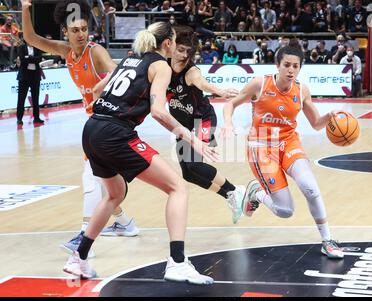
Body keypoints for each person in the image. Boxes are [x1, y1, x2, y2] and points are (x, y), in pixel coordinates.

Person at [64, 22, 216, 284]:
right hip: (116, 133)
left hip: (92, 129)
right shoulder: (161, 66)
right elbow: (158, 111)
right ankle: (178, 262)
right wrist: (192, 138)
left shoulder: (130, 59)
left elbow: (99, 90)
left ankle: (79, 258)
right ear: (167, 43)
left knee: (115, 194)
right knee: (178, 187)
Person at [21, 0, 139, 257]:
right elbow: (30, 37)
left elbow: (118, 73)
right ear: (65, 31)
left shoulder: (95, 52)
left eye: (84, 29)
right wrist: (26, 8)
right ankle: (124, 222)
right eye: (75, 30)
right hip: (96, 122)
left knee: (90, 176)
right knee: (103, 180)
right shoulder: (65, 51)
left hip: (110, 121)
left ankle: (85, 235)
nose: (81, 34)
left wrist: (102, 87)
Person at [221, 42, 344, 259]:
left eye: (295, 66)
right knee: (285, 211)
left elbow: (316, 123)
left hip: (289, 143)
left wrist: (330, 116)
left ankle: (327, 240)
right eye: (286, 65)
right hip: (261, 148)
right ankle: (256, 192)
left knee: (311, 189)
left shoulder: (302, 90)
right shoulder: (259, 84)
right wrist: (228, 124)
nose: (291, 70)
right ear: (277, 65)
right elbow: (230, 104)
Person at [168, 26, 250, 224]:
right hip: (182, 124)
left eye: (188, 51)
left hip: (201, 119)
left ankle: (234, 189)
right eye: (180, 49)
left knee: (195, 163)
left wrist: (219, 91)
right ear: (171, 46)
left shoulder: (191, 70)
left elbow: (202, 83)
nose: (184, 55)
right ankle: (230, 195)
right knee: (188, 173)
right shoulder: (162, 66)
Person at [16, 38, 44, 125]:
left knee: (36, 98)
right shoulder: (21, 48)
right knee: (21, 98)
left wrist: (29, 57)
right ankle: (19, 118)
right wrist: (32, 59)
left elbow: (39, 59)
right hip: (24, 77)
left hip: (35, 76)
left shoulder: (37, 47)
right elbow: (22, 60)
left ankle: (36, 118)